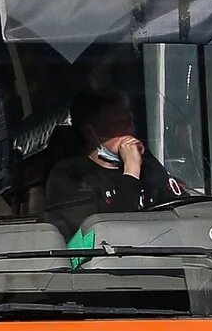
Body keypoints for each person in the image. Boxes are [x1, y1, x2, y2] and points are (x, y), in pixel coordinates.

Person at [40, 86, 184, 236]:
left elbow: (177, 199)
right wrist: (131, 170)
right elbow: (108, 230)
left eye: (131, 122)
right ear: (90, 132)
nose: (130, 131)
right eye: (120, 124)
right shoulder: (69, 176)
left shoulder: (145, 161)